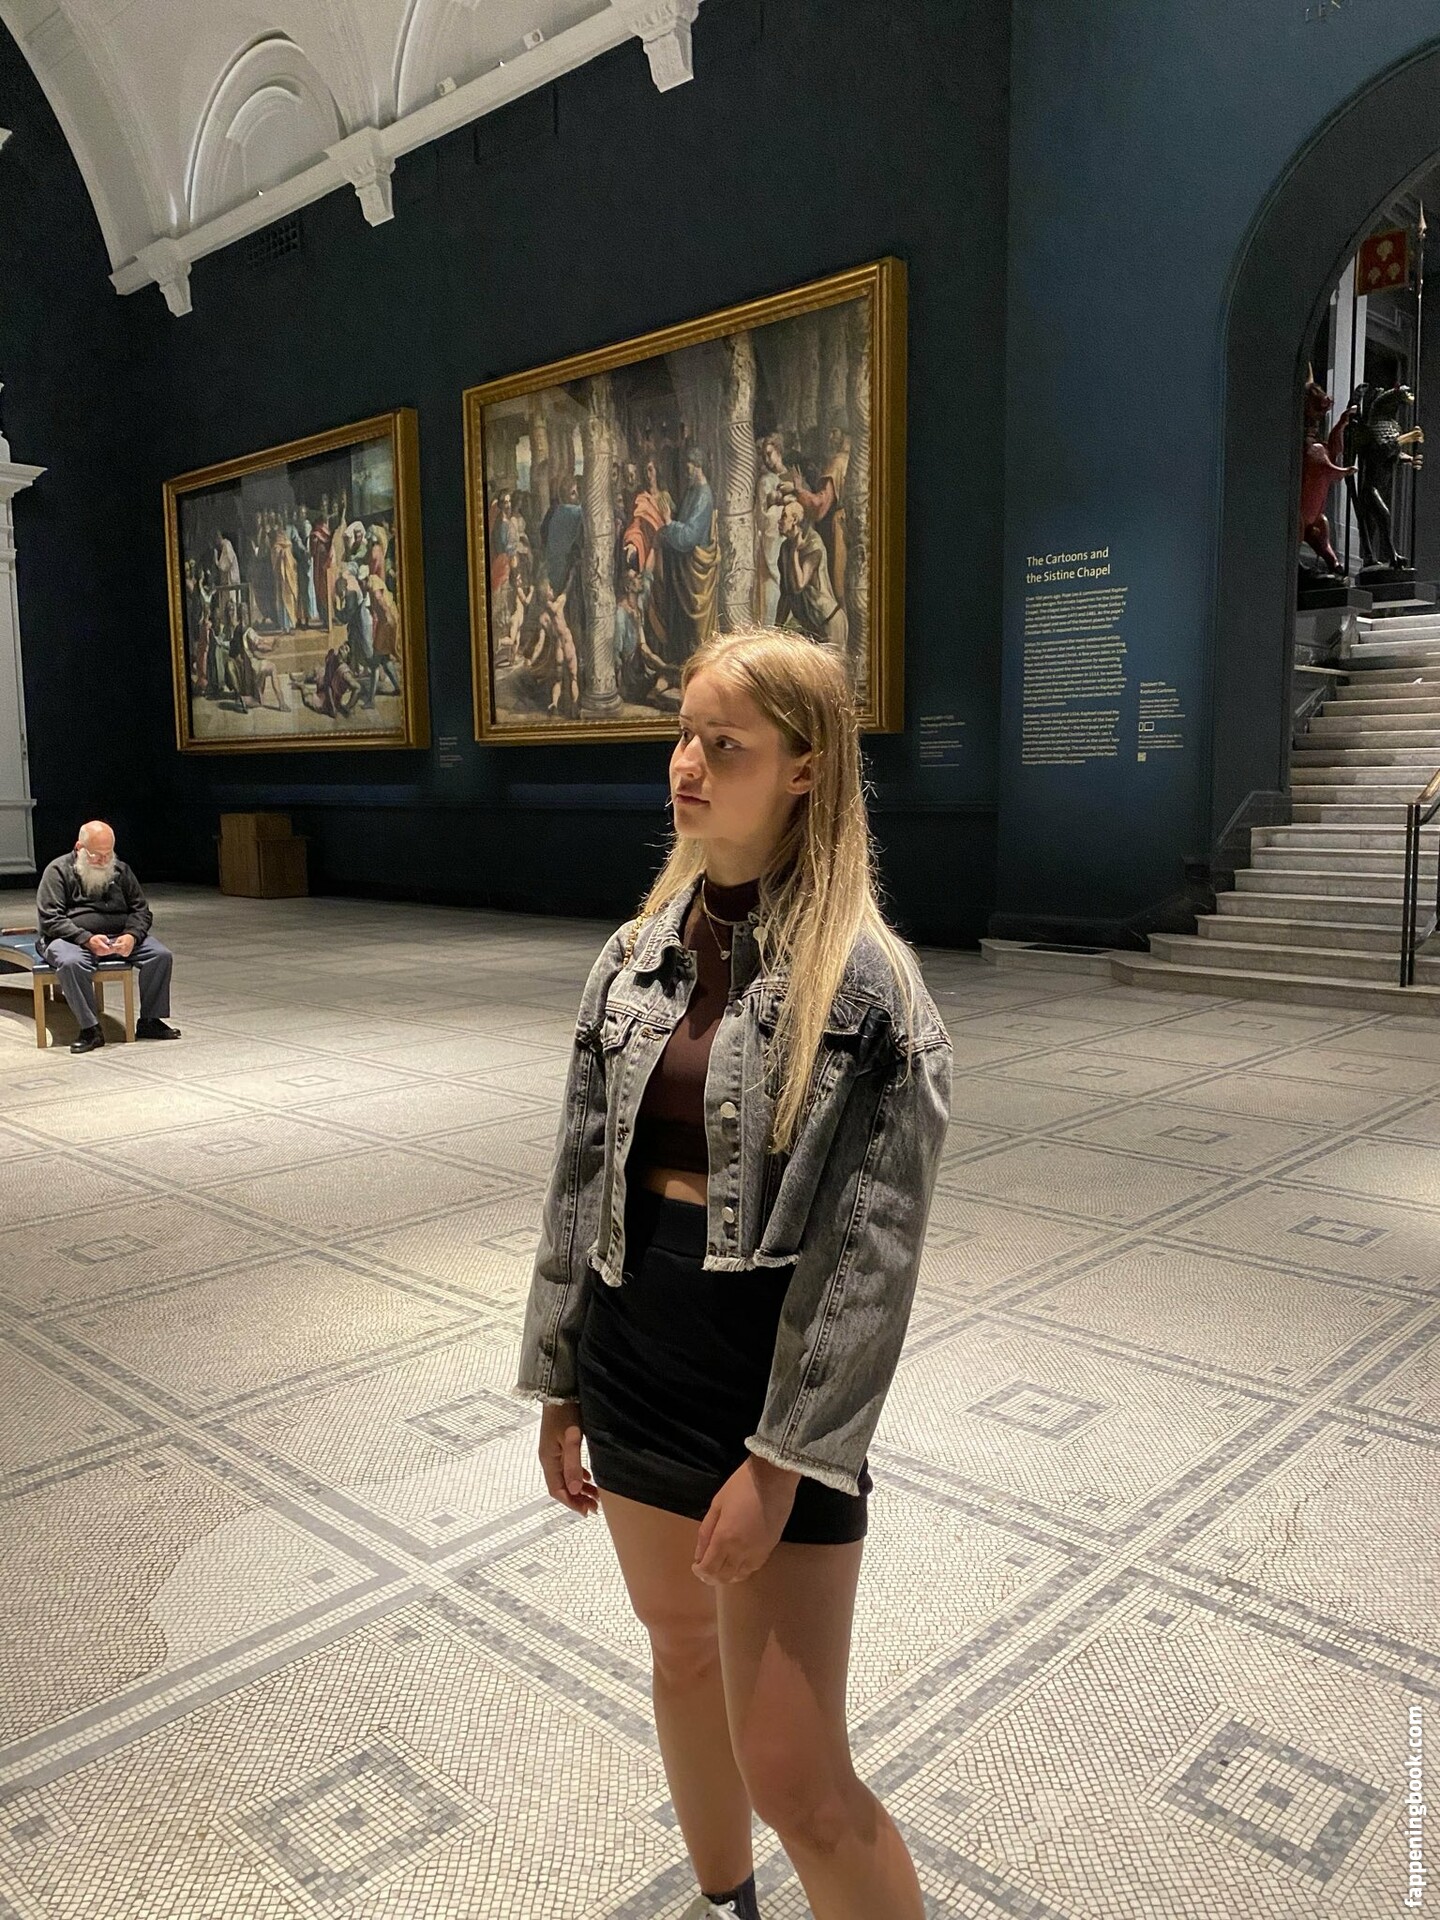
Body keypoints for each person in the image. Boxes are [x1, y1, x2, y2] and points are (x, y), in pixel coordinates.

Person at [516, 631, 950, 1920]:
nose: (687, 765)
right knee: (679, 1656)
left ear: (805, 771)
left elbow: (869, 1256)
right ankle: (727, 1906)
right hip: (635, 1351)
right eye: (684, 734)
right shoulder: (632, 957)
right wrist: (560, 1378)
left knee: (799, 1775)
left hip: (770, 1376)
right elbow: (580, 1176)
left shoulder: (866, 990)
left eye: (725, 745)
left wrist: (779, 1462)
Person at [36, 822, 180, 1053]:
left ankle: (150, 1020)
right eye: (96, 855)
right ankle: (90, 1028)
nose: (104, 861)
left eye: (108, 854)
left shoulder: (121, 870)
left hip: (119, 935)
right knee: (71, 963)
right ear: (79, 848)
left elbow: (141, 910)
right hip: (71, 939)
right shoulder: (57, 871)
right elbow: (50, 919)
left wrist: (132, 935)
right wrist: (86, 938)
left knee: (160, 956)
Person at [776, 494, 848, 651]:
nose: (779, 521)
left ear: (795, 520)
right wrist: (776, 630)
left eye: (784, 516)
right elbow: (786, 594)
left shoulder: (814, 545)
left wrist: (795, 551)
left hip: (829, 623)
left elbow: (799, 585)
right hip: (811, 627)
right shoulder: (784, 549)